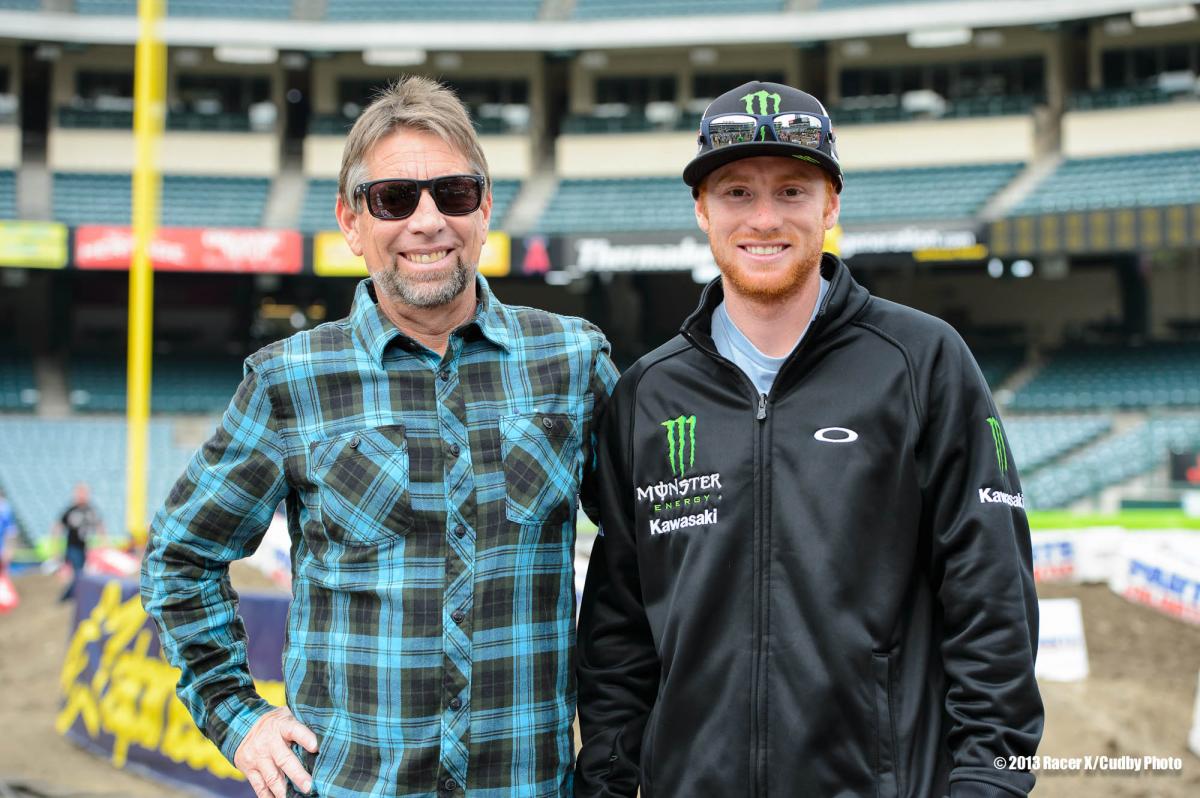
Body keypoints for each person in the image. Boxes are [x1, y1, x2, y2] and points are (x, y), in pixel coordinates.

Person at [141, 76, 617, 798]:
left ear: (485, 210)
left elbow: (659, 554)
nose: (427, 221)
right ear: (352, 221)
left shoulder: (573, 362)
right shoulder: (287, 381)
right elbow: (179, 559)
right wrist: (237, 717)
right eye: (394, 198)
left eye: (454, 194)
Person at [575, 81, 1043, 798]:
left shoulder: (923, 363)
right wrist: (606, 784)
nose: (765, 218)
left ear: (831, 205)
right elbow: (620, 632)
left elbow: (992, 600)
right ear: (701, 209)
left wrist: (992, 783)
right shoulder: (648, 393)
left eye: (792, 191)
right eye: (736, 192)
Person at [57, 482, 103, 602]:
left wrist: (103, 541)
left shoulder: (90, 510)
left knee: (80, 573)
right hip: (72, 547)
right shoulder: (71, 510)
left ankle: (71, 595)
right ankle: (67, 597)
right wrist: (56, 545)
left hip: (84, 547)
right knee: (79, 573)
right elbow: (59, 525)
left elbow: (99, 524)